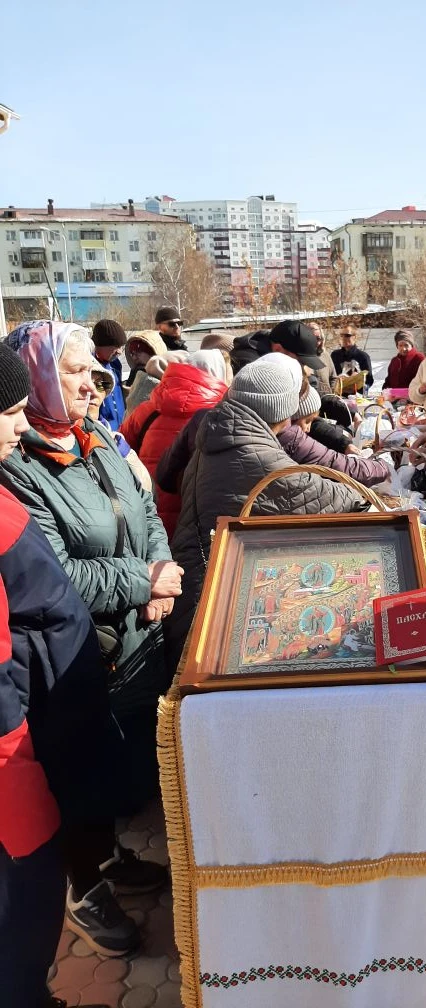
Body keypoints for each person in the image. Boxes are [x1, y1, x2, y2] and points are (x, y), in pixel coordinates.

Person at [0, 321, 181, 956]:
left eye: (89, 371)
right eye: (74, 372)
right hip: (76, 652)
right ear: (41, 378)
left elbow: (146, 508)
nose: (91, 383)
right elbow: (57, 574)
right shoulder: (18, 467)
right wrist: (144, 580)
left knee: (113, 764)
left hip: (133, 636)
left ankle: (106, 860)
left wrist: (159, 578)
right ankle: (83, 890)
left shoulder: (97, 433)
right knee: (73, 772)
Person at [0, 343, 121, 1008]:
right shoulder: (18, 479)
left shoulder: (92, 439)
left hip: (53, 703)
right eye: (10, 411)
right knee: (23, 914)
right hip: (18, 745)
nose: (19, 426)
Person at [166, 354, 366, 669]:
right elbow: (333, 495)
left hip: (196, 584)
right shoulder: (256, 454)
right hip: (211, 608)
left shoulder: (220, 433)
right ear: (281, 411)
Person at [120, 350, 230, 539]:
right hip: (195, 520)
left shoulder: (147, 410)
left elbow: (119, 453)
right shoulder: (220, 415)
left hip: (146, 513)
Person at [278, 386, 391, 487]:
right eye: (307, 421)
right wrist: (383, 468)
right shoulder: (293, 440)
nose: (308, 428)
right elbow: (333, 462)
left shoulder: (285, 434)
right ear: (291, 418)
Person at [89, 359, 152, 491]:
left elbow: (146, 488)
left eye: (100, 385)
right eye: (86, 383)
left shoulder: (116, 440)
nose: (93, 392)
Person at [91, 319, 127, 429]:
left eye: (121, 346)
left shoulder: (115, 365)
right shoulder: (90, 369)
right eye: (115, 346)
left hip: (121, 428)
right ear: (100, 345)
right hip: (103, 430)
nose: (119, 351)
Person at [309, 322, 338, 395]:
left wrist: (332, 394)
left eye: (318, 338)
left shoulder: (325, 355)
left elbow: (334, 378)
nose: (316, 342)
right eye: (312, 338)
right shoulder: (299, 358)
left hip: (327, 400)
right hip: (310, 402)